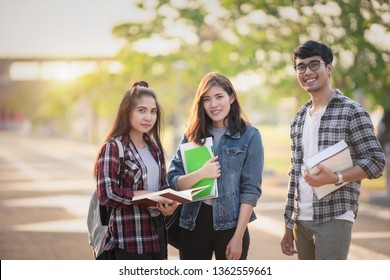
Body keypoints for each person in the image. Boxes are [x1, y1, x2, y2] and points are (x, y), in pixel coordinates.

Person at [280, 40, 386, 260]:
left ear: (329, 68)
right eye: (301, 67)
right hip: (301, 219)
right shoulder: (298, 119)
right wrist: (288, 224)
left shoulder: (352, 111)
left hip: (335, 215)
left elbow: (376, 162)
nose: (307, 71)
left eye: (314, 64)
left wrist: (336, 177)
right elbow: (295, 174)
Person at [166, 72, 264, 260]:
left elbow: (250, 191)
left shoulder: (250, 136)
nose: (214, 104)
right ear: (201, 103)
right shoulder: (192, 135)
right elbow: (172, 180)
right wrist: (201, 174)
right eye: (207, 99)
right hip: (193, 222)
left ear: (232, 97)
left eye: (219, 97)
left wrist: (238, 237)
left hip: (232, 226)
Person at [93, 81, 178, 260]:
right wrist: (140, 194)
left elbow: (161, 187)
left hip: (157, 238)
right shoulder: (114, 147)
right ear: (127, 112)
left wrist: (167, 205)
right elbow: (106, 194)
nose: (148, 117)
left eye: (153, 111)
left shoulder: (155, 148)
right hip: (128, 240)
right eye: (141, 110)